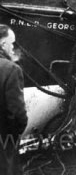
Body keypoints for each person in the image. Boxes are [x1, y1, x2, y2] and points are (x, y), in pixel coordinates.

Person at [0, 24, 28, 175]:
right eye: (11, 43)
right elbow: (17, 113)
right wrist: (14, 135)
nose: (13, 48)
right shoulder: (11, 69)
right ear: (3, 44)